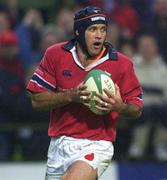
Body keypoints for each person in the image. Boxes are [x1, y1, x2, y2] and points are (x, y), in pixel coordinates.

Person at [27, 6, 143, 180]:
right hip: (59, 145)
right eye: (93, 29)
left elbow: (137, 109)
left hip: (96, 144)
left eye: (103, 30)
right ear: (78, 32)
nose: (99, 35)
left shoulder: (122, 64)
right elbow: (36, 100)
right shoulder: (55, 54)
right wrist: (71, 95)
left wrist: (119, 106)